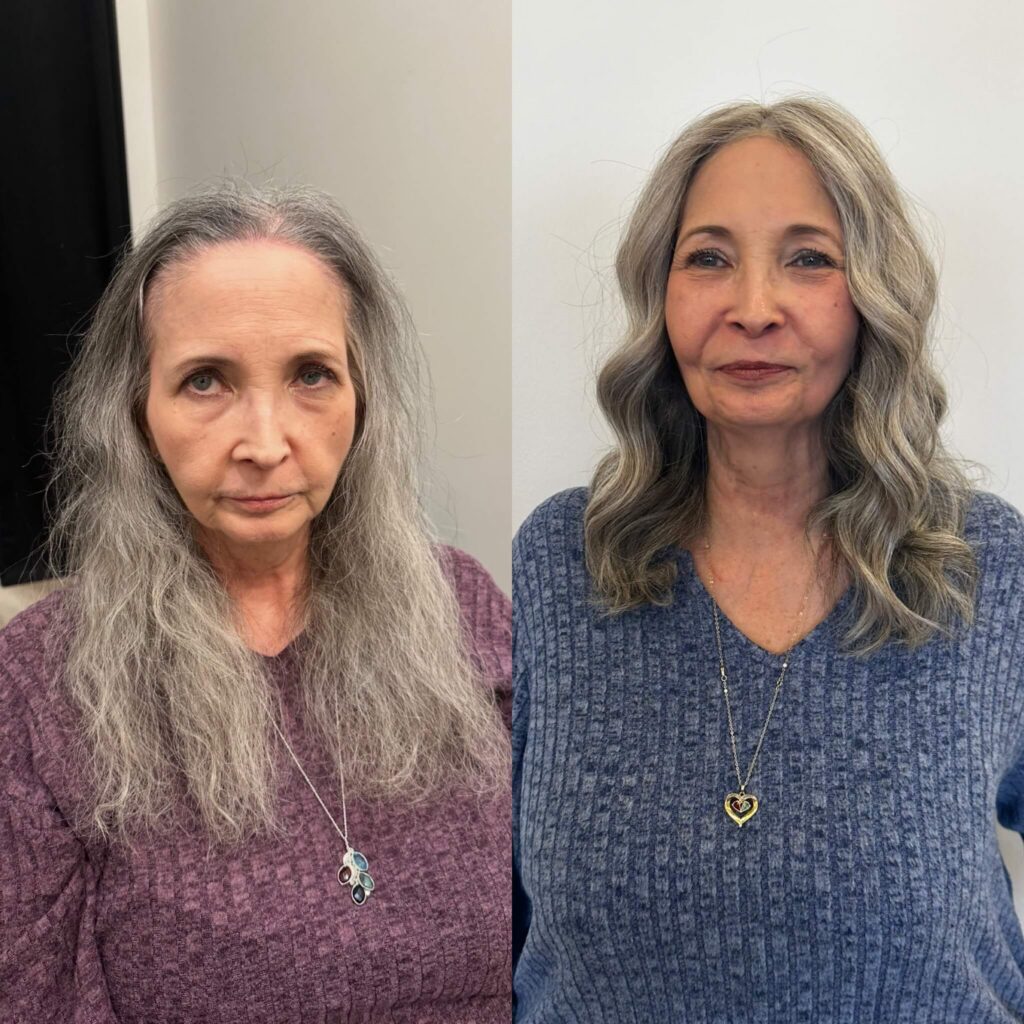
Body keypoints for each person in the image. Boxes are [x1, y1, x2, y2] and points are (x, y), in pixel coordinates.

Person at [512, 95, 1024, 1022]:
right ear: (659, 295)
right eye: (708, 259)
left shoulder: (985, 569)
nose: (753, 309)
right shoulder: (558, 565)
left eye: (808, 260)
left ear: (872, 293)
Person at [0, 182, 512, 1023]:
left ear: (363, 398)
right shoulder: (39, 684)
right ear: (137, 413)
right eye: (206, 381)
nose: (267, 445)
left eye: (313, 375)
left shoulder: (466, 609)